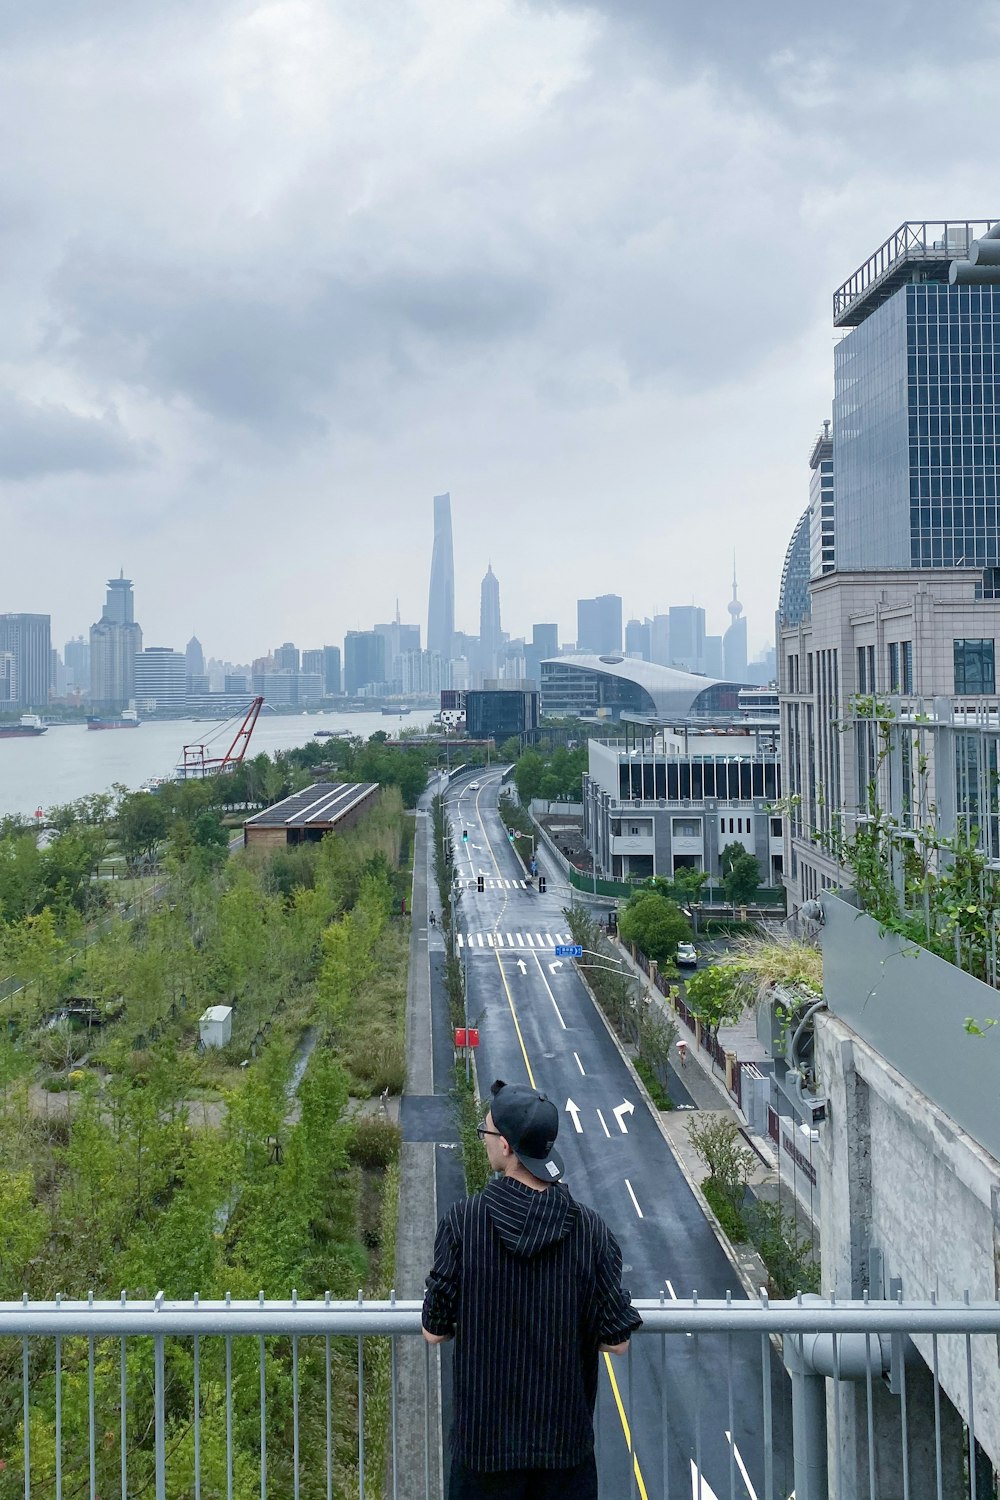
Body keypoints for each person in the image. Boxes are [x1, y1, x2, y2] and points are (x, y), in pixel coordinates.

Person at [422, 1079, 641, 1499]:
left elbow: (434, 1329)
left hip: (483, 1452)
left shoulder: (463, 1223)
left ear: (505, 1146)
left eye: (485, 1132)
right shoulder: (591, 1230)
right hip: (564, 1453)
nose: (484, 1141)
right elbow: (617, 1342)